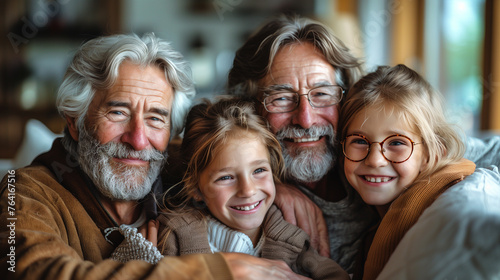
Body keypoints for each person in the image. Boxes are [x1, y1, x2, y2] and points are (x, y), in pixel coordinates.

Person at [0, 33, 310, 280]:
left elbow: (242, 169)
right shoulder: (22, 190)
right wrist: (209, 271)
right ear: (75, 123)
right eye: (118, 112)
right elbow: (31, 272)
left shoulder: (183, 166)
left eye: (155, 119)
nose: (138, 140)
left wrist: (283, 188)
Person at [226, 14, 500, 274]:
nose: (306, 120)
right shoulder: (242, 191)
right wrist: (268, 183)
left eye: (322, 94)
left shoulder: (390, 141)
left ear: (344, 98)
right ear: (250, 109)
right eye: (282, 98)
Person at [110, 97, 350, 280]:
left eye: (258, 171)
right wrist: (140, 258)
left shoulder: (291, 240)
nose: (247, 190)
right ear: (196, 188)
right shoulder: (174, 235)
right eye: (225, 177)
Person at [337, 64, 476, 279]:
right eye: (359, 140)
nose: (375, 160)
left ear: (432, 154)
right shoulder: (371, 230)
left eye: (397, 143)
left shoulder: (431, 212)